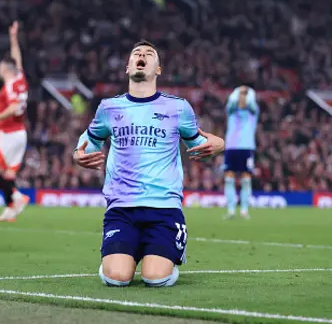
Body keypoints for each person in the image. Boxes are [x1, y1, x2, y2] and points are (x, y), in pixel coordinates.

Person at [73, 41, 224, 287]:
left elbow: (199, 144)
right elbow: (89, 141)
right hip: (122, 208)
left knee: (156, 279)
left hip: (164, 208)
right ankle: (122, 257)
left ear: (158, 69)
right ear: (127, 67)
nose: (142, 55)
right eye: (136, 53)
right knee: (117, 278)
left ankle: (166, 258)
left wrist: (219, 145)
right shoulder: (109, 107)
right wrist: (78, 155)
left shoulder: (178, 107)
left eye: (149, 53)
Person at [0, 21, 30, 222]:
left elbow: (13, 106)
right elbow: (17, 59)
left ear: (6, 70)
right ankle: (10, 208)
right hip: (20, 133)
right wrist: (13, 38)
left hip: (8, 132)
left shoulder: (10, 86)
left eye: (0, 67)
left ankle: (17, 197)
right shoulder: (20, 79)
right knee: (8, 175)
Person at [223, 86, 259, 219]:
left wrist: (246, 94)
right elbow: (231, 104)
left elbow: (252, 105)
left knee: (246, 179)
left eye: (245, 95)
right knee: (229, 178)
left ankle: (244, 210)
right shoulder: (231, 110)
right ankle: (231, 210)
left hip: (247, 147)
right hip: (231, 147)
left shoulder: (253, 111)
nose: (242, 97)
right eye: (240, 95)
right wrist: (238, 93)